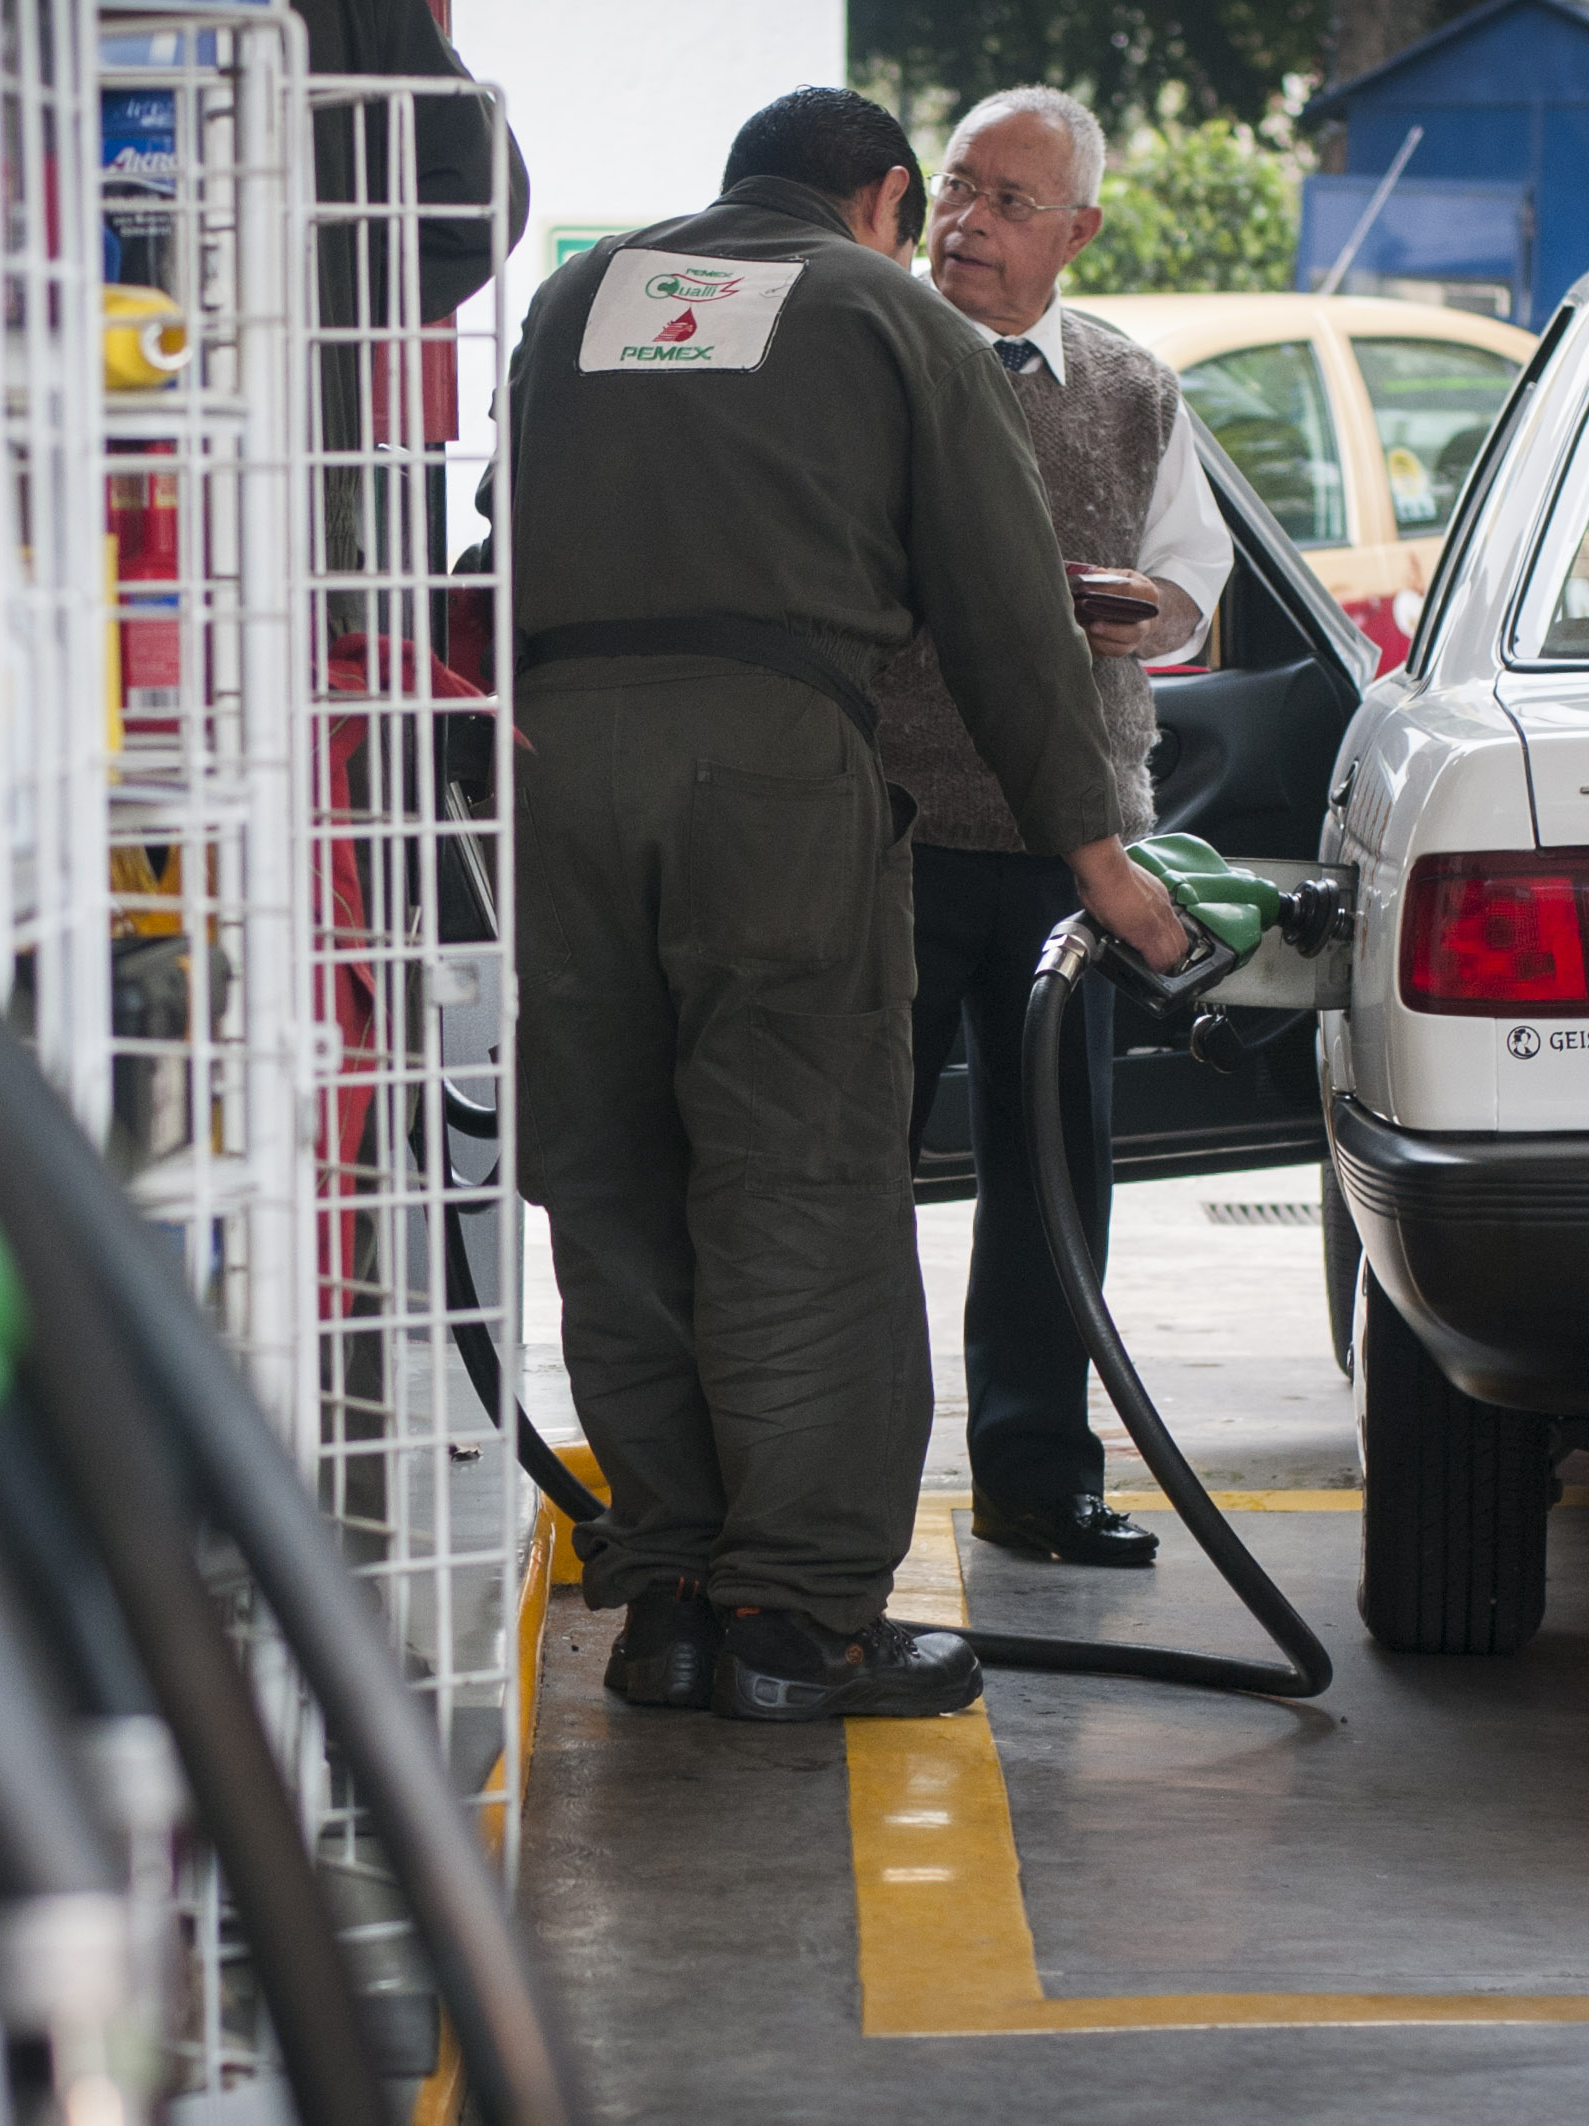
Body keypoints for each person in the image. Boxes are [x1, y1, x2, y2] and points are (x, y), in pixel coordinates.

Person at [501, 86, 1187, 1723]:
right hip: (772, 774)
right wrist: (1094, 854)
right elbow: (1010, 618)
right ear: (882, 196)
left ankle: (665, 1589)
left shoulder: (578, 296)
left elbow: (498, 531)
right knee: (797, 1184)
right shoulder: (891, 318)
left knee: (616, 1177)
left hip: (556, 777)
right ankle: (798, 1622)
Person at [880, 86, 1234, 1569]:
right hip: (889, 830)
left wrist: (1149, 610)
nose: (967, 221)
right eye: (956, 187)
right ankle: (840, 1491)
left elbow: (1191, 589)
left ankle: (1035, 1480)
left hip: (1072, 843)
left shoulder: (1134, 385)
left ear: (1078, 230)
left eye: (1009, 200)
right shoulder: (873, 356)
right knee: (846, 1176)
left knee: (1050, 1178)